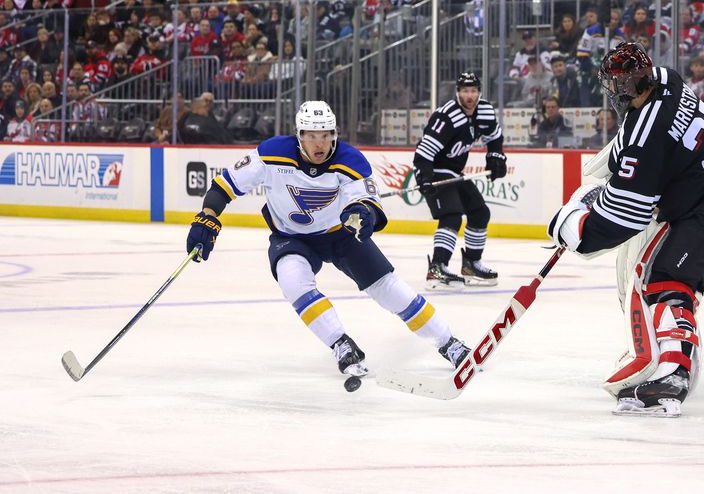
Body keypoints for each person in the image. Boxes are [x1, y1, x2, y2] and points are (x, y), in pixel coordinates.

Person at [547, 42, 704, 417]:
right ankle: (672, 358)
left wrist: (576, 229)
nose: (614, 92)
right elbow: (638, 145)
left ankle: (675, 373)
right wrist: (614, 175)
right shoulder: (670, 81)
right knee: (670, 278)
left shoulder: (646, 136)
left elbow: (627, 216)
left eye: (617, 84)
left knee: (663, 277)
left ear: (627, 87)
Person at [185, 101, 471, 377]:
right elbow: (224, 186)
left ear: (334, 135)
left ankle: (449, 343)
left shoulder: (350, 160)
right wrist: (208, 216)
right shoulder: (271, 153)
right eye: (311, 136)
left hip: (340, 235)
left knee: (388, 288)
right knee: (292, 280)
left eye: (325, 135)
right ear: (299, 135)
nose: (319, 144)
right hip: (291, 237)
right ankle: (340, 343)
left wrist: (362, 214)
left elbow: (369, 204)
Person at [412, 72, 507, 289]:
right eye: (465, 91)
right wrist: (425, 177)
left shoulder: (484, 111)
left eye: (473, 90)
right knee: (451, 216)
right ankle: (437, 268)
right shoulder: (446, 117)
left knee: (480, 212)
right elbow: (423, 153)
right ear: (458, 93)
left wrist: (495, 158)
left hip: (454, 173)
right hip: (434, 170)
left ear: (479, 92)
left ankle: (471, 264)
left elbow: (495, 137)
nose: (470, 95)